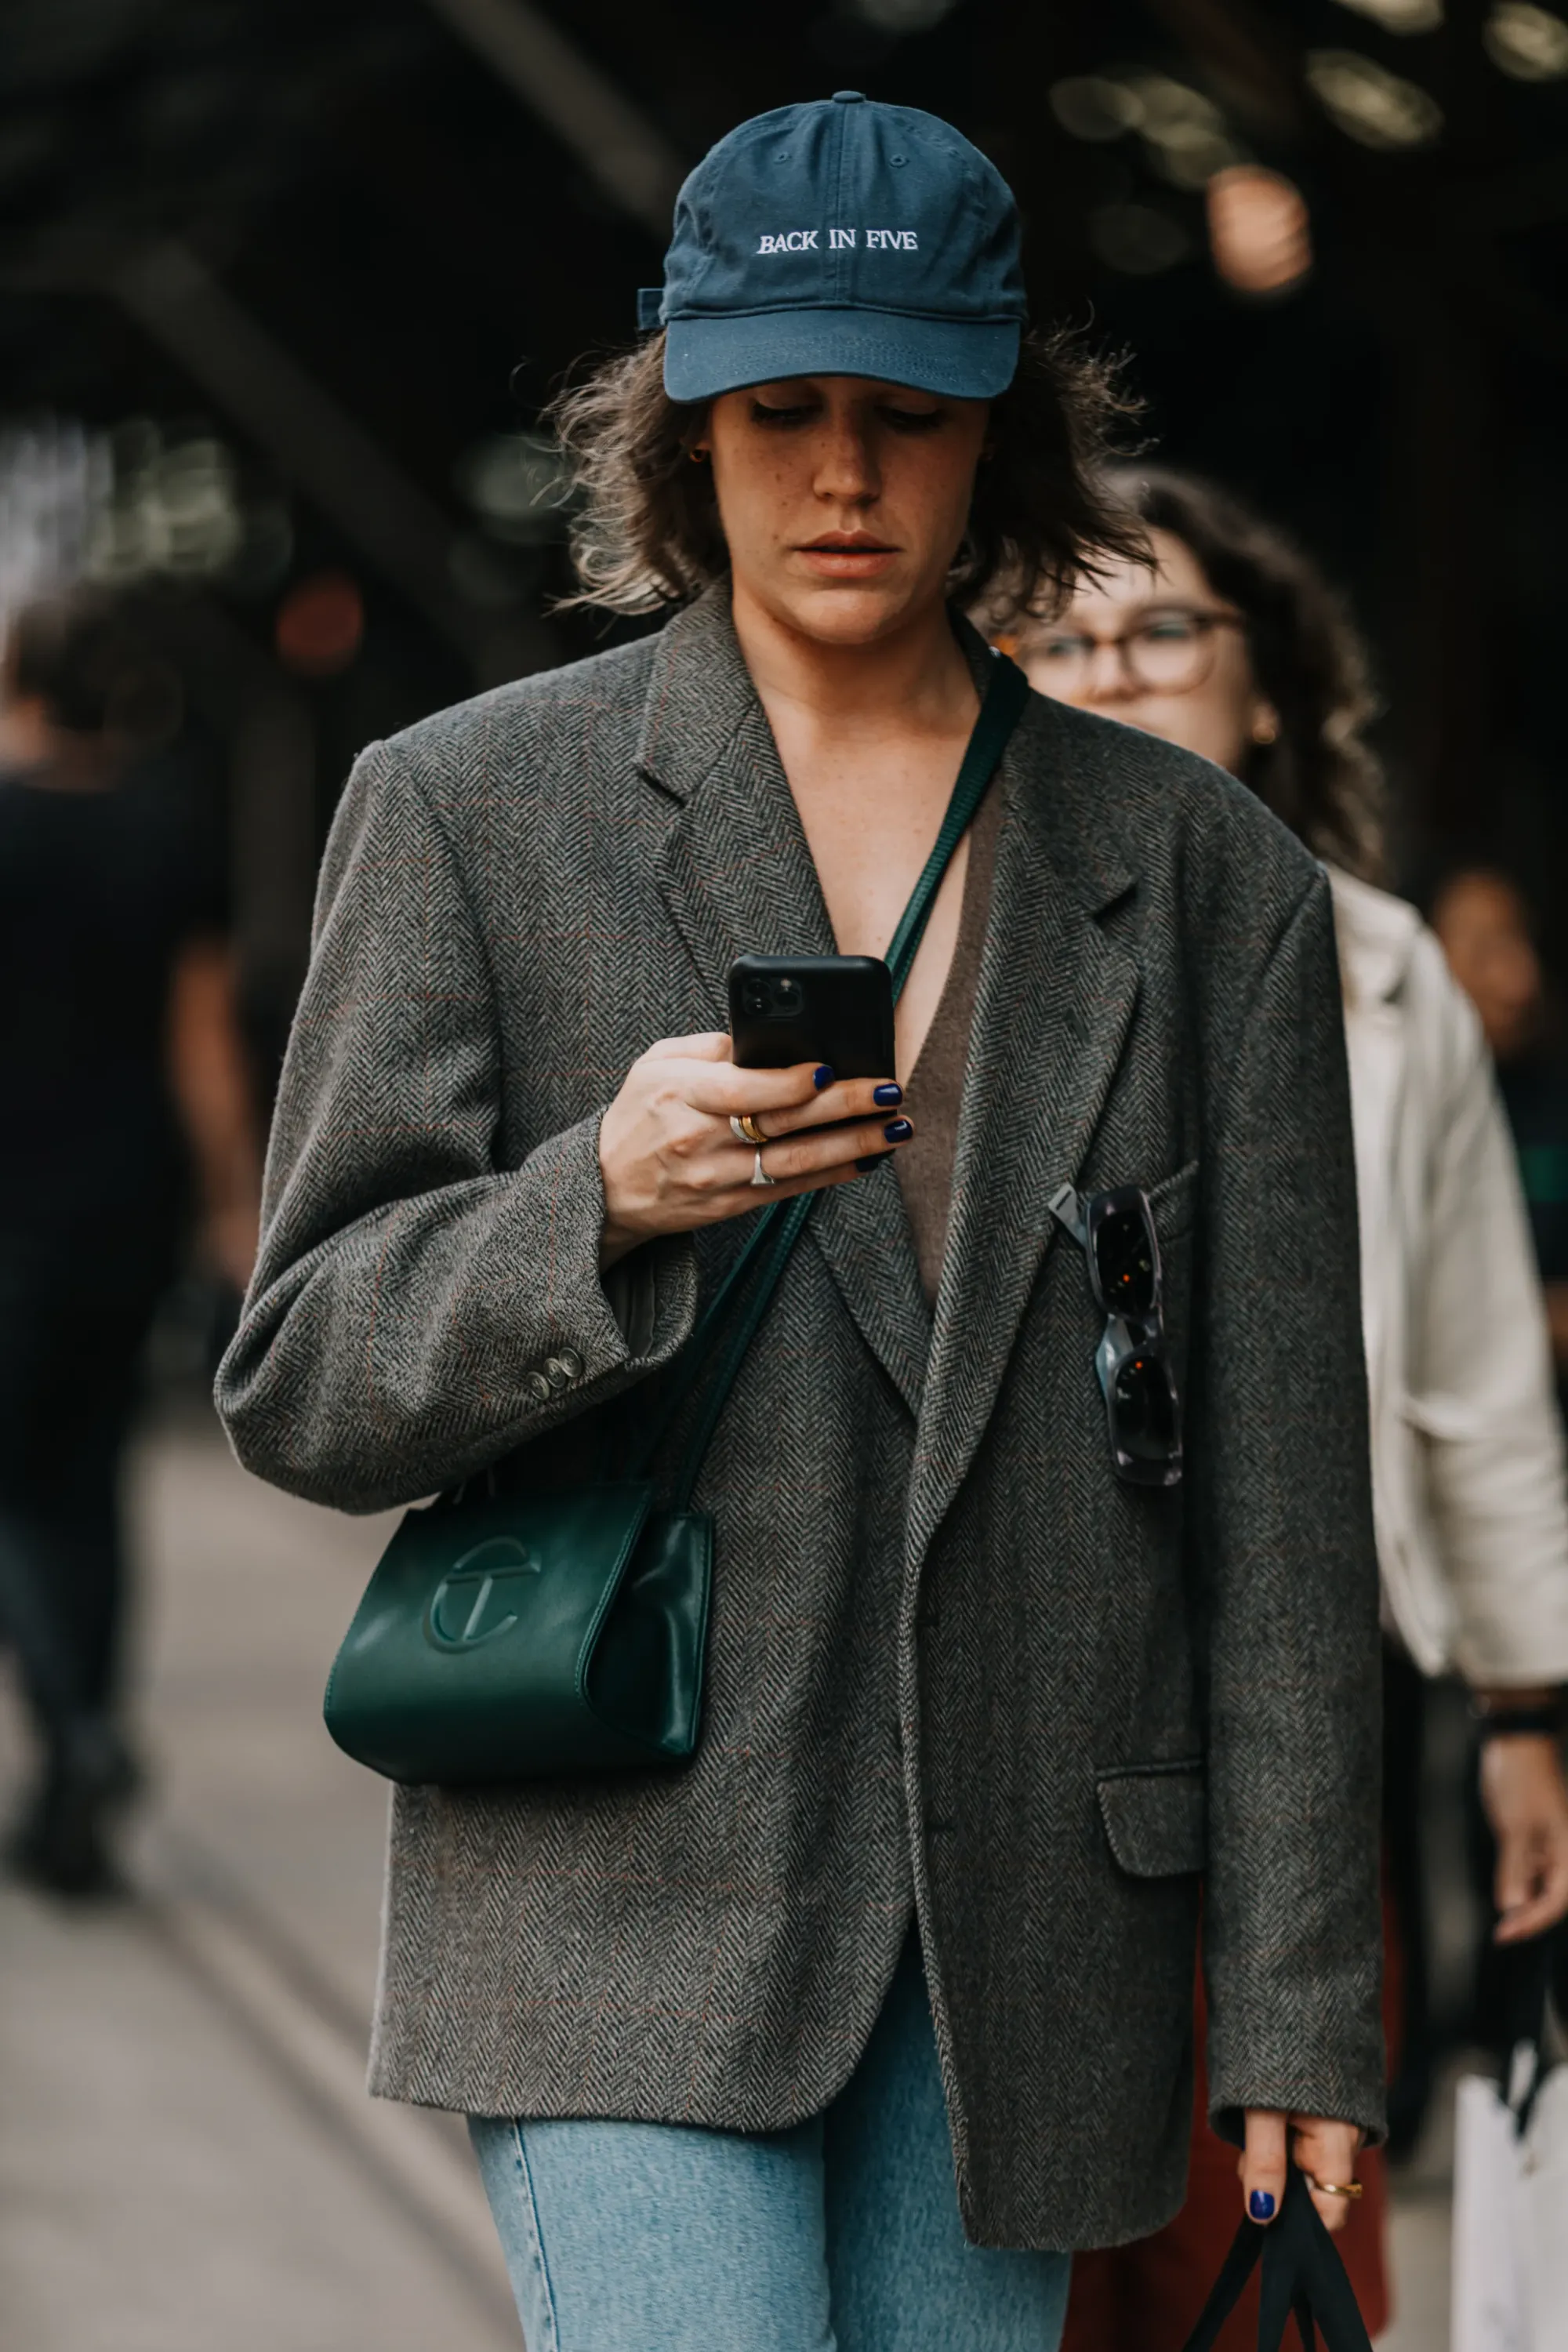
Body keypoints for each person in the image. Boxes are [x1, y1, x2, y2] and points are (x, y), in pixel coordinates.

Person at [217, 99, 1384, 2352]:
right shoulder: (470, 810)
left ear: (1000, 440)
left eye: (904, 414)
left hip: (1030, 1926)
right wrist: (596, 1203)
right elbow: (302, 1374)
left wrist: (1309, 2005)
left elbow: (1283, 1492)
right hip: (617, 1885)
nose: (842, 475)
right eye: (780, 411)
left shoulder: (1206, 873)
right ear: (682, 425)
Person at [996, 466, 1568, 2351]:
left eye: (1162, 627)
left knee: (1264, 2271)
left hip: (1290, 1723)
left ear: (1264, 683)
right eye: (1055, 635)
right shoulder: (941, 960)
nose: (1112, 667)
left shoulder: (1383, 970)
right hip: (999, 1713)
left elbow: (1478, 1381)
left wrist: (1522, 1706)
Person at [0, 591, 260, 1896]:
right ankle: (72, 1781)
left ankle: (82, 1737)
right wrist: (232, 1209)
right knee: (88, 1491)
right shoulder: (166, 822)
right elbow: (201, 1040)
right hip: (121, 1210)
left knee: (11, 1493)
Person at [1432, 866, 1568, 1415]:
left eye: (1521, 945)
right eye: (1486, 951)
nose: (1519, 980)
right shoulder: (1396, 1118)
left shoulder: (1552, 1102)